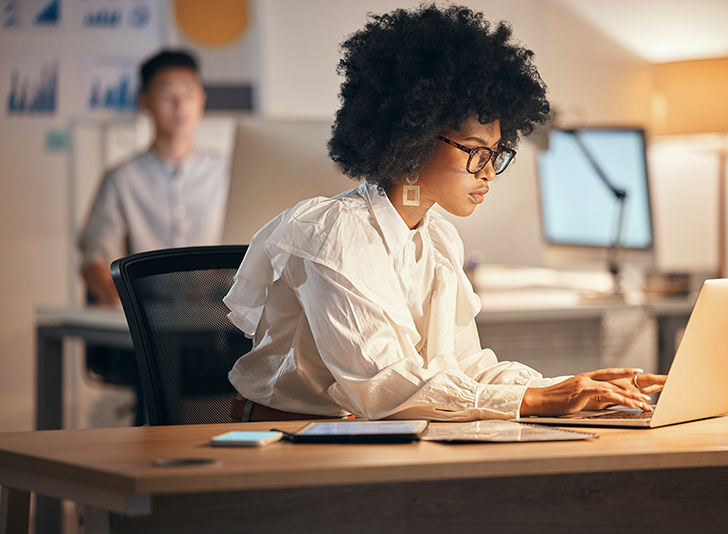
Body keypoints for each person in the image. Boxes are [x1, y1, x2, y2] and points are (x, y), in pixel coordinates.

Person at [225, 4, 666, 423]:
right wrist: (537, 400)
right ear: (413, 139)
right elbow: (386, 385)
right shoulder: (335, 233)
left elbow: (463, 368)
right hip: (284, 444)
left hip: (367, 436)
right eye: (476, 153)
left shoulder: (436, 239)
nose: (490, 173)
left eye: (497, 154)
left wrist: (571, 386)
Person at [79, 49, 229, 304]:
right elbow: (96, 252)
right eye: (166, 94)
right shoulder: (123, 178)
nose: (180, 105)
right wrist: (108, 290)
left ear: (201, 99)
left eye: (189, 93)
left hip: (219, 316)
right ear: (145, 102)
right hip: (149, 320)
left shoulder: (228, 172)